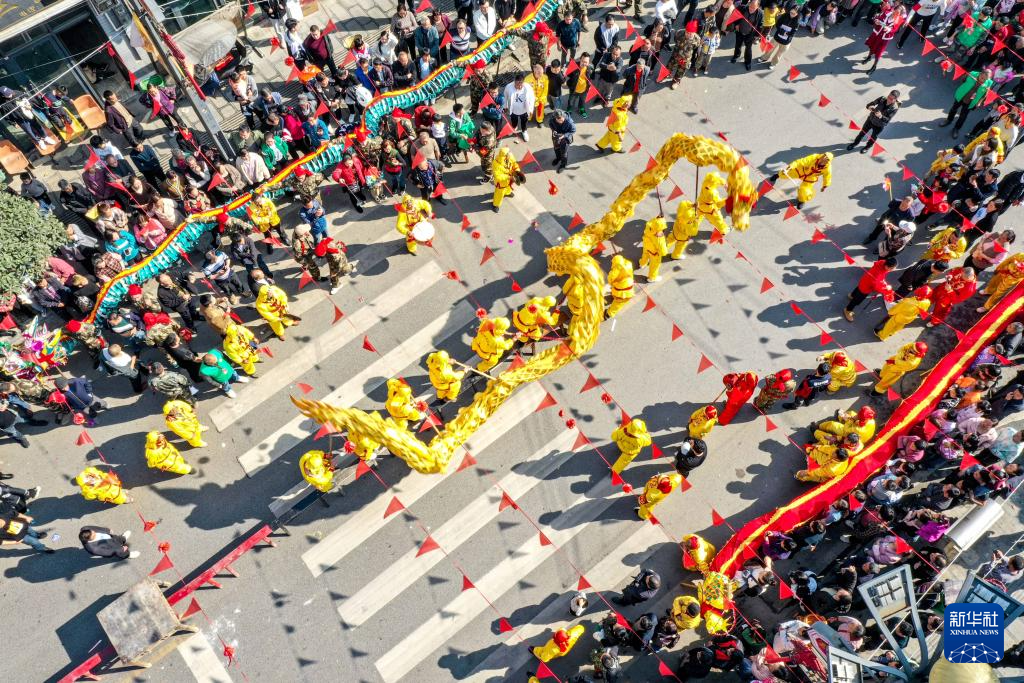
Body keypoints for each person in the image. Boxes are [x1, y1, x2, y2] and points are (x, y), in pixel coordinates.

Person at [940, 67, 993, 138]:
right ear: (980, 73)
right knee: (954, 108)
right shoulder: (972, 74)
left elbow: (985, 94)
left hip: (971, 101)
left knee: (963, 116)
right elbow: (963, 80)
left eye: (985, 79)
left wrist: (979, 102)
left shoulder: (988, 83)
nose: (983, 80)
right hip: (962, 95)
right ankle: (948, 120)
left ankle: (956, 128)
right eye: (982, 78)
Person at [768, 152, 832, 207]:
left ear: (827, 162)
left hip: (810, 178)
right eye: (823, 157)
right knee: (784, 173)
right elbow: (799, 162)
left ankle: (801, 201)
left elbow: (827, 176)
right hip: (801, 171)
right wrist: (790, 168)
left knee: (805, 192)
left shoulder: (828, 168)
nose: (822, 160)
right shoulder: (814, 157)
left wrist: (825, 185)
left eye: (825, 159)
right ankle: (777, 175)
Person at [843, 257, 897, 322]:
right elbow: (876, 286)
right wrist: (884, 289)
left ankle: (851, 295)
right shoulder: (878, 273)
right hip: (867, 287)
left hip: (865, 280)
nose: (892, 270)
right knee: (857, 300)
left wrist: (883, 282)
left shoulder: (882, 263)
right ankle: (848, 310)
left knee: (858, 289)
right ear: (887, 266)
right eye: (891, 268)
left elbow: (879, 279)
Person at [861, 2, 906, 75]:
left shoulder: (897, 21)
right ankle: (869, 57)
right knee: (871, 46)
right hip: (877, 34)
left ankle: (874, 66)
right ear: (893, 10)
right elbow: (879, 18)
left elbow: (894, 29)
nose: (896, 14)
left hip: (884, 39)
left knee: (878, 53)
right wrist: (877, 21)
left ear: (899, 15)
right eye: (896, 11)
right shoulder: (886, 13)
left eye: (898, 13)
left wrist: (889, 29)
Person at [730, 0, 764, 70]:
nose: (751, 9)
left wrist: (757, 36)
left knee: (748, 49)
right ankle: (736, 56)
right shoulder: (742, 8)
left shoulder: (760, 13)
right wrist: (736, 24)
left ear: (758, 6)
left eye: (753, 8)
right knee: (738, 45)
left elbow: (760, 25)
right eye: (750, 6)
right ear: (749, 3)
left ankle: (747, 62)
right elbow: (735, 15)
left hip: (750, 34)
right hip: (740, 31)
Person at [491, 146, 524, 213]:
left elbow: (514, 164)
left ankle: (507, 193)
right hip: (501, 183)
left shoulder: (510, 156)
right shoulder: (496, 164)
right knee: (499, 194)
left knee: (509, 187)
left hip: (510, 178)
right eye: (508, 153)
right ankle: (496, 205)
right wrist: (509, 177)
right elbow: (498, 177)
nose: (510, 153)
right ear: (505, 156)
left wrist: (517, 171)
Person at [503, 74, 535, 141]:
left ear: (523, 82)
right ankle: (514, 127)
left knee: (524, 121)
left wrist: (531, 109)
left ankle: (524, 131)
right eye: (517, 84)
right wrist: (505, 106)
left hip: (524, 110)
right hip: (513, 110)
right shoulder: (508, 87)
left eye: (521, 85)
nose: (519, 87)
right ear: (514, 82)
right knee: (514, 120)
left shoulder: (527, 87)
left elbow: (532, 98)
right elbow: (505, 97)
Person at [639, 215, 668, 282]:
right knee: (655, 265)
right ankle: (652, 278)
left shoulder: (649, 226)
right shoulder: (659, 237)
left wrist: (659, 218)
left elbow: (655, 221)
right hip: (655, 252)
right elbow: (663, 250)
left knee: (645, 255)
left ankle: (642, 264)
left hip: (646, 245)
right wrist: (664, 253)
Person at [548, 109, 576, 173]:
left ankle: (563, 164)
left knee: (564, 152)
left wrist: (564, 135)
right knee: (556, 148)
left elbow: (573, 130)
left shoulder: (569, 122)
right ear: (555, 118)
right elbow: (550, 124)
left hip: (565, 138)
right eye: (558, 120)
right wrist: (553, 130)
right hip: (556, 136)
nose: (560, 121)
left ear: (563, 116)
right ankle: (558, 158)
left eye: (561, 120)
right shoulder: (552, 119)